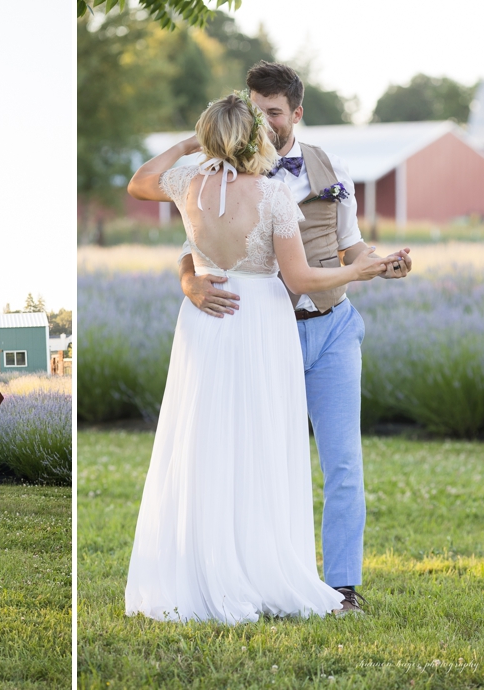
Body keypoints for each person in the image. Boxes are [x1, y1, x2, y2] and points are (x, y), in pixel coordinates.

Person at [122, 92, 396, 624]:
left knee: (208, 443)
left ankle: (208, 569)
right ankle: (265, 566)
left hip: (208, 326)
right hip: (263, 325)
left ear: (210, 137)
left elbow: (138, 181)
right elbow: (300, 279)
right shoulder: (272, 197)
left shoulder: (187, 184)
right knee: (266, 446)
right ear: (254, 137)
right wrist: (356, 273)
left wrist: (188, 144)